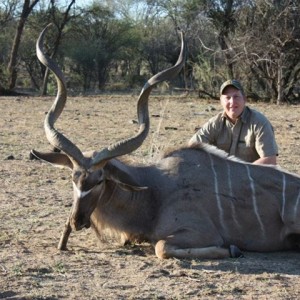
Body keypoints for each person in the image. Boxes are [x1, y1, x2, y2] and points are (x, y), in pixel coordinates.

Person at [188, 79, 278, 165]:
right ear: (221, 101)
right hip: (223, 176)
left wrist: (241, 174)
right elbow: (192, 147)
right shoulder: (215, 123)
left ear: (244, 99)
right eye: (227, 97)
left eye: (236, 97)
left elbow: (270, 160)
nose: (232, 102)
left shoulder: (259, 122)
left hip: (251, 178)